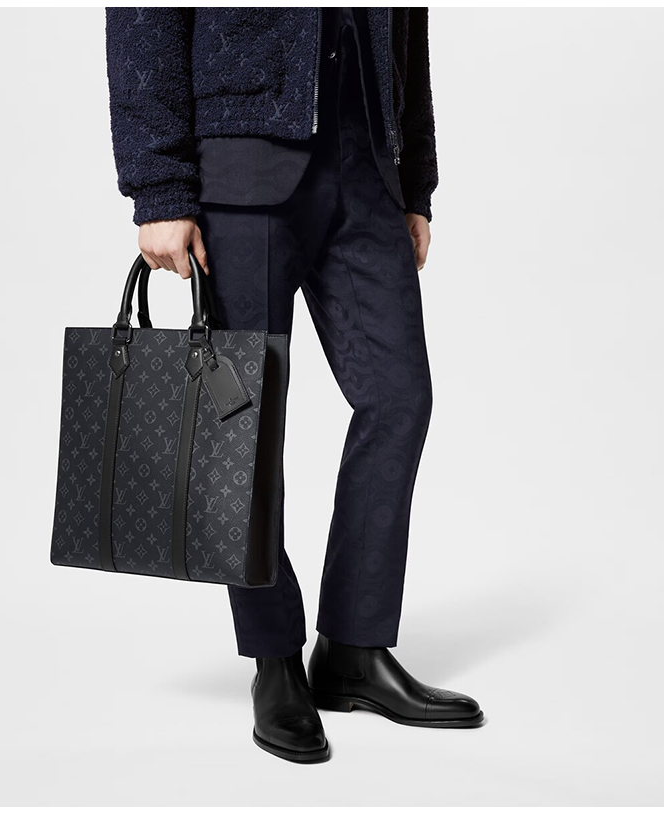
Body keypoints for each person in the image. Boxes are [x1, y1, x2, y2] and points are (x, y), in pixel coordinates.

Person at [105, 7, 484, 763]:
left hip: (366, 164)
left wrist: (414, 180)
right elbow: (144, 17)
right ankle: (273, 657)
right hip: (243, 163)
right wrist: (160, 188)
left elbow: (408, 27)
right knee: (241, 422)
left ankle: (354, 647)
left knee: (399, 398)